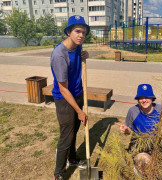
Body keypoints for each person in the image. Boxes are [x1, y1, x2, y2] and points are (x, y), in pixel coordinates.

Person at [115, 84, 162, 178]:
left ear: (152, 98)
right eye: (141, 97)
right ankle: (139, 170)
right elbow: (129, 131)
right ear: (138, 99)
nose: (144, 100)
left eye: (147, 97)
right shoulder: (133, 111)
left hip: (160, 149)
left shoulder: (161, 109)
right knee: (147, 165)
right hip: (141, 149)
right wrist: (126, 130)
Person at [50, 15, 90, 180]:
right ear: (68, 32)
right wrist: (79, 111)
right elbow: (63, 89)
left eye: (84, 32)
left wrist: (84, 55)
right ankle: (58, 173)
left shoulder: (78, 46)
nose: (81, 35)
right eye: (77, 31)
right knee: (66, 135)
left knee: (75, 130)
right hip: (64, 99)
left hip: (78, 93)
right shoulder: (59, 55)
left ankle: (72, 159)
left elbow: (79, 56)